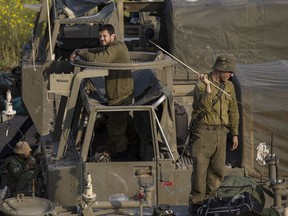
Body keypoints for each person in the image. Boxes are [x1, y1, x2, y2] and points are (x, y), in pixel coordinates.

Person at [70, 24, 139, 160]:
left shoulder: (116, 48)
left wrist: (80, 53)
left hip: (120, 97)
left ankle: (124, 158)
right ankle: (136, 151)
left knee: (116, 132)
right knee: (127, 126)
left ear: (112, 36)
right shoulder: (114, 46)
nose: (102, 38)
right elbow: (99, 51)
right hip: (120, 95)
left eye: (104, 36)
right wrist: (83, 50)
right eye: (100, 36)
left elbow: (100, 58)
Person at [188, 54, 239, 215]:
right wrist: (208, 87)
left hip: (221, 133)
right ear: (220, 69)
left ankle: (212, 203)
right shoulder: (201, 86)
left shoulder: (229, 86)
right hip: (203, 133)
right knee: (200, 172)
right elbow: (204, 107)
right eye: (229, 71)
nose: (231, 75)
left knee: (217, 172)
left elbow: (233, 111)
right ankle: (196, 205)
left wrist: (235, 133)